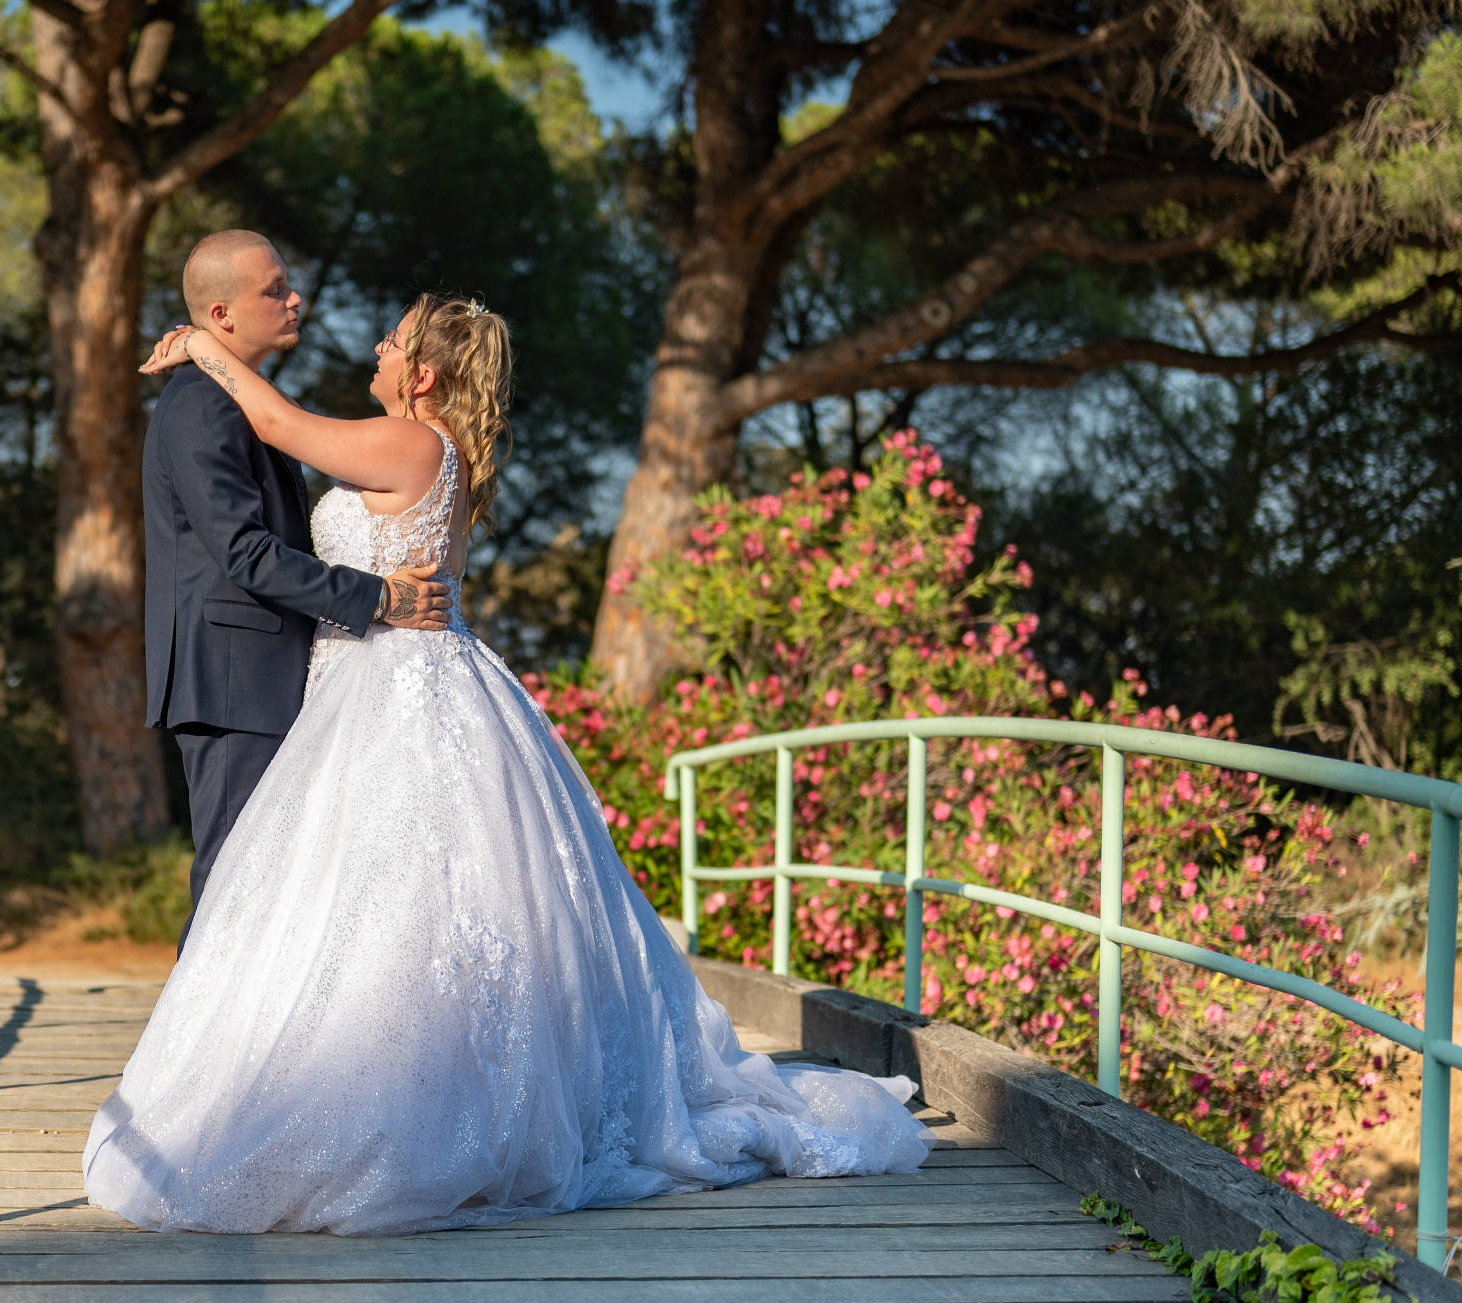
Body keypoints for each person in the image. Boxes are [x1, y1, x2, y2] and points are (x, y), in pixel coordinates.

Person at [84, 292, 932, 1236]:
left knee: (397, 895)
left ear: (426, 373)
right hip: (381, 678)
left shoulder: (413, 444)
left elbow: (280, 423)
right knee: (391, 899)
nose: (375, 346)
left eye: (393, 341)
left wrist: (205, 344)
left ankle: (413, 1102)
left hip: (394, 683)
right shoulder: (430, 449)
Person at [141, 230, 451, 951]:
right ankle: (194, 1062)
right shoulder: (200, 408)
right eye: (274, 288)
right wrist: (379, 598)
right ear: (221, 315)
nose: (295, 297)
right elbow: (246, 553)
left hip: (269, 677)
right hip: (232, 679)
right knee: (233, 886)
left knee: (269, 885)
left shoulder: (237, 399)